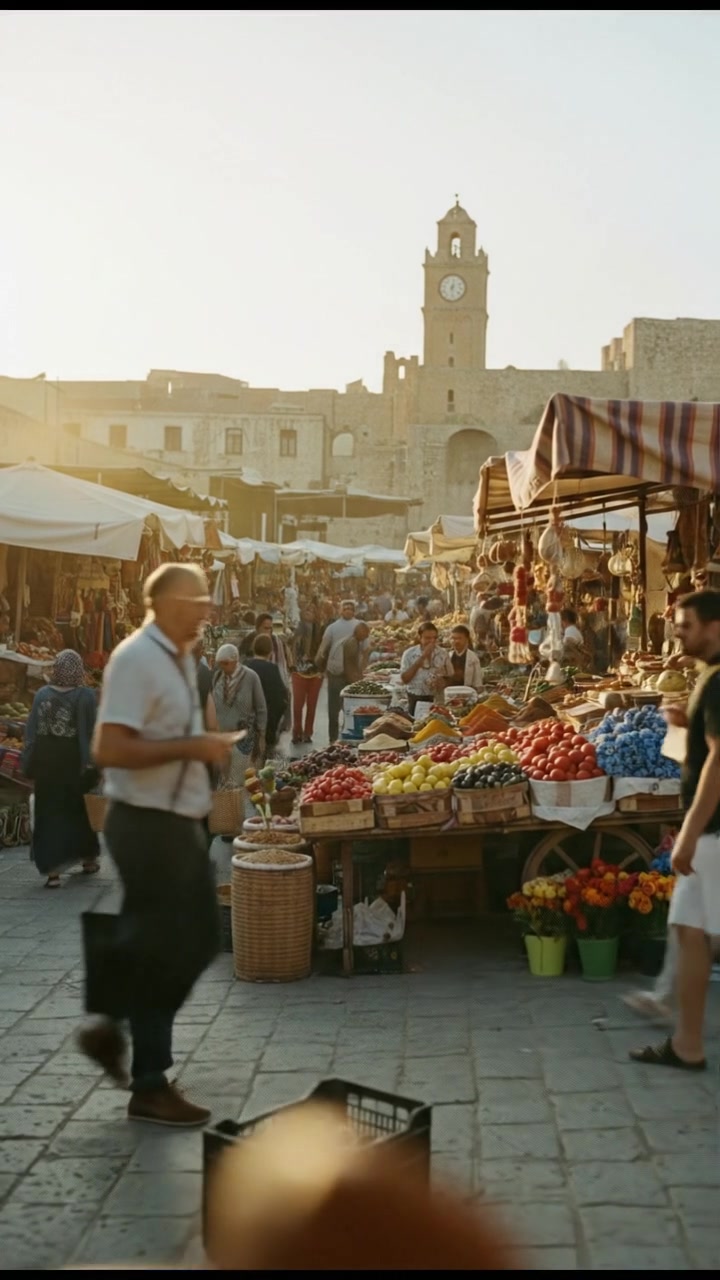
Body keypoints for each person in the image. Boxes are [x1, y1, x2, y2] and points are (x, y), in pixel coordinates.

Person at [79, 562, 240, 1126]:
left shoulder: (178, 658)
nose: (205, 609)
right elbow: (110, 747)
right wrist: (193, 747)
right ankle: (147, 1077)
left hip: (174, 820)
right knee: (187, 941)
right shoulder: (136, 658)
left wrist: (202, 747)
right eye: (196, 600)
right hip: (146, 823)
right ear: (167, 602)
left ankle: (115, 1030)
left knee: (173, 940)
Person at [630, 589, 720, 1071]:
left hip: (713, 830)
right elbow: (704, 751)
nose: (678, 634)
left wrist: (689, 832)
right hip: (709, 829)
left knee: (694, 933)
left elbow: (719, 763)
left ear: (714, 625)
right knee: (691, 933)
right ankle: (687, 1043)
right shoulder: (709, 677)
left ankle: (687, 1043)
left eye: (686, 626)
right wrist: (681, 724)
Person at [21, 649, 100, 888]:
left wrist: (28, 762)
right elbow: (90, 732)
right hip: (72, 761)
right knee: (78, 810)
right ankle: (88, 859)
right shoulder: (85, 696)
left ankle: (52, 872)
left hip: (46, 761)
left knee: (48, 814)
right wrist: (94, 764)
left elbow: (31, 732)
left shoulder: (41, 694)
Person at [212, 643, 267, 779]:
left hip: (244, 738)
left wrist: (261, 734)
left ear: (235, 661)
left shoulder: (251, 677)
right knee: (224, 780)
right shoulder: (217, 677)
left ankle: (241, 800)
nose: (222, 667)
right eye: (220, 664)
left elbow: (261, 708)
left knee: (240, 778)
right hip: (223, 737)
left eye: (225, 663)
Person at [315, 600, 360, 742]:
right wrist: (318, 665)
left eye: (350, 608)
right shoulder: (332, 628)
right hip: (336, 672)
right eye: (345, 608)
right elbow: (323, 648)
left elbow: (366, 649)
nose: (348, 610)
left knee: (350, 707)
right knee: (335, 708)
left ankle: (345, 737)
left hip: (352, 674)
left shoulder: (359, 626)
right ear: (340, 610)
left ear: (354, 611)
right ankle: (333, 738)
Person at [246, 635, 289, 756]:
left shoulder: (245, 667)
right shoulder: (272, 669)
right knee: (265, 760)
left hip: (246, 724)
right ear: (271, 651)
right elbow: (279, 700)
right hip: (267, 724)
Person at [290, 604, 324, 744]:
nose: (309, 613)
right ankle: (296, 732)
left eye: (312, 610)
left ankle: (308, 733)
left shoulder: (320, 631)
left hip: (315, 672)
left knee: (312, 704)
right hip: (299, 672)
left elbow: (324, 650)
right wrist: (292, 663)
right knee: (297, 705)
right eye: (307, 610)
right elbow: (291, 648)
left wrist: (322, 668)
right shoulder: (297, 630)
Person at [400, 623, 448, 716]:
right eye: (427, 638)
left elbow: (449, 677)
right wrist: (423, 657)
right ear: (419, 638)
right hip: (415, 699)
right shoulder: (409, 654)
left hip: (436, 700)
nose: (431, 641)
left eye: (434, 638)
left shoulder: (443, 653)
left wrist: (443, 682)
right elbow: (405, 679)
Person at [444, 625, 484, 692]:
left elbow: (478, 682)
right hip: (449, 692)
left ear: (467, 639)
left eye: (459, 638)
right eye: (453, 638)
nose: (456, 641)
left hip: (467, 692)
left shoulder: (473, 658)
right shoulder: (447, 656)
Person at [340, 622, 370, 686]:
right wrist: (355, 679)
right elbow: (349, 664)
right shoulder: (352, 643)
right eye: (366, 634)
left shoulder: (355, 641)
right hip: (349, 678)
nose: (367, 637)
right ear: (360, 633)